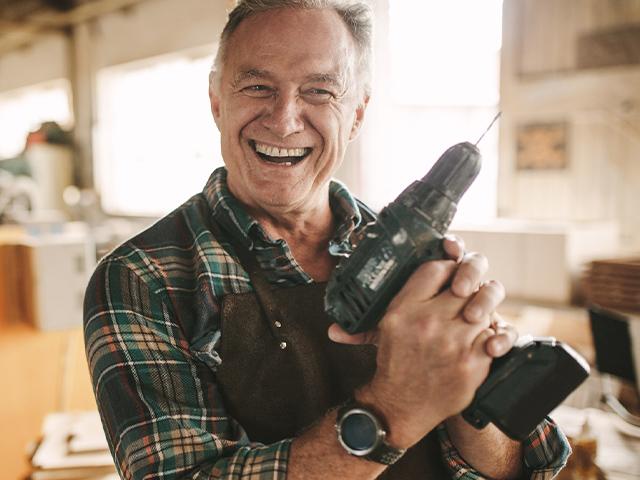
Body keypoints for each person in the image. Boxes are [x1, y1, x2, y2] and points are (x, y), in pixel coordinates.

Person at [84, 1, 571, 479]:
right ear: (217, 101)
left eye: (319, 91)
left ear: (357, 114)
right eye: (257, 86)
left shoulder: (415, 257)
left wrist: (464, 389)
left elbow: (526, 465)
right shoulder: (142, 279)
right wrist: (396, 406)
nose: (284, 119)